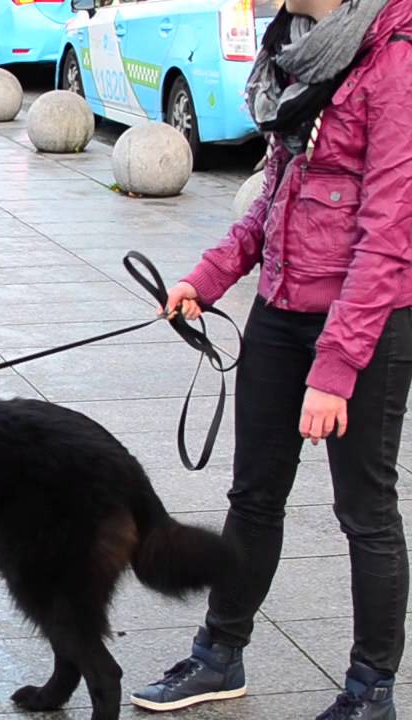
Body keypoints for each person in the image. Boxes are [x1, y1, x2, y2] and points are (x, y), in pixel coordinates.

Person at [130, 0, 412, 717]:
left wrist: (336, 370)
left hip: (368, 322)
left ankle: (369, 691)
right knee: (253, 497)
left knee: (365, 511)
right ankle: (219, 656)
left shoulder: (395, 54)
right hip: (282, 309)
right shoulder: (296, 46)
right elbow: (275, 195)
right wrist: (206, 278)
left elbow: (389, 233)